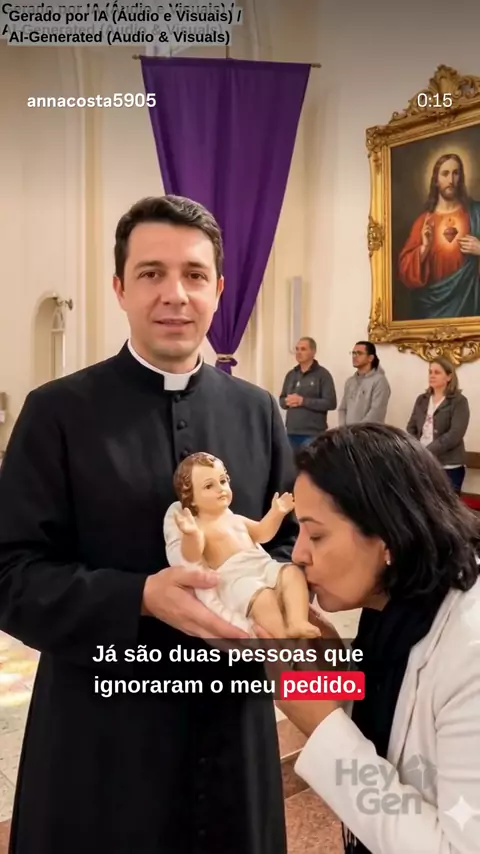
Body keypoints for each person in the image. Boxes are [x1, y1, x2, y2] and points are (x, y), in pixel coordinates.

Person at [0, 195, 298, 854]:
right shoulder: (57, 413)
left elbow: (284, 542)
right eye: (151, 273)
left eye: (194, 275)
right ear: (120, 288)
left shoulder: (257, 412)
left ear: (219, 290)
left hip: (231, 713)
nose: (175, 294)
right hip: (101, 732)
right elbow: (10, 574)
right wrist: (137, 596)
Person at [256, 424, 480, 854]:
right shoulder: (392, 611)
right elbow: (392, 720)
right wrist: (331, 670)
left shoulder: (469, 649)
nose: (298, 555)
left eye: (316, 534)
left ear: (388, 536)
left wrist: (320, 725)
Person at [165, 452, 318, 638]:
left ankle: (297, 622)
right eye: (209, 486)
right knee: (263, 599)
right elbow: (192, 557)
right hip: (236, 578)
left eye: (223, 481)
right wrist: (190, 535)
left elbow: (262, 534)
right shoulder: (200, 527)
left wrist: (276, 512)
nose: (220, 489)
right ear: (191, 498)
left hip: (262, 563)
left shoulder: (236, 519)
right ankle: (281, 638)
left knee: (293, 573)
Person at [398, 153, 480, 319]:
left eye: (456, 173)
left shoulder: (476, 214)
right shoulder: (423, 222)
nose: (451, 180)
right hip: (431, 310)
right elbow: (405, 272)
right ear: (436, 180)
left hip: (470, 305)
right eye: (445, 174)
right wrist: (423, 249)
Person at [406, 356, 470, 494]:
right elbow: (411, 427)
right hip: (421, 462)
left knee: (446, 504)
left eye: (437, 372)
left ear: (449, 377)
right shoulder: (422, 399)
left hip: (448, 465)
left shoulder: (459, 401)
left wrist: (428, 450)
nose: (432, 376)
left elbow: (455, 434)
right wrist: (415, 448)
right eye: (430, 372)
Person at [279, 336, 336, 449]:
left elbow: (330, 403)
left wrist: (302, 401)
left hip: (313, 434)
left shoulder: (323, 375)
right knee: (291, 461)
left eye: (303, 349)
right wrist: (287, 401)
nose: (298, 352)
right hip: (291, 432)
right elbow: (282, 400)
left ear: (313, 352)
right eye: (297, 349)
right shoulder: (291, 374)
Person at [338, 341, 390, 425]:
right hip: (348, 432)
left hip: (368, 431)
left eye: (359, 353)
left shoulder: (380, 381)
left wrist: (357, 430)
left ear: (370, 358)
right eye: (353, 353)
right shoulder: (350, 381)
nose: (354, 356)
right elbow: (342, 409)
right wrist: (343, 429)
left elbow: (376, 413)